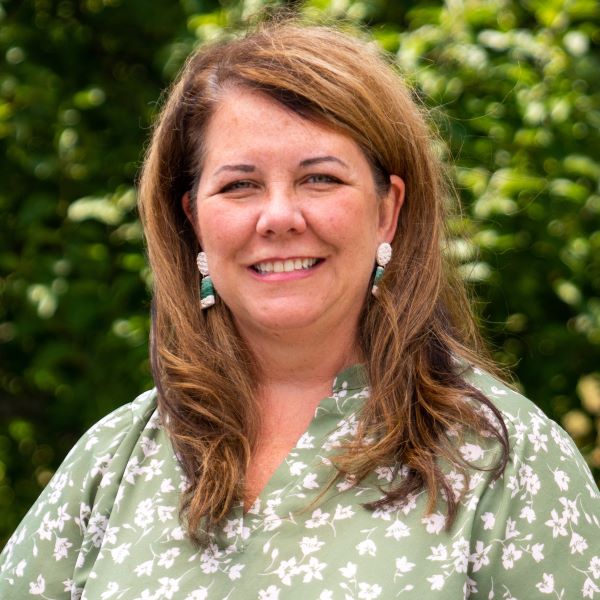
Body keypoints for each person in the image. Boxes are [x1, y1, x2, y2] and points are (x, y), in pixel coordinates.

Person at [1, 19, 599, 600]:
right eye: (240, 185)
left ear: (387, 211)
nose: (280, 217)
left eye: (319, 179)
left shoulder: (504, 461)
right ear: (193, 222)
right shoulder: (116, 462)